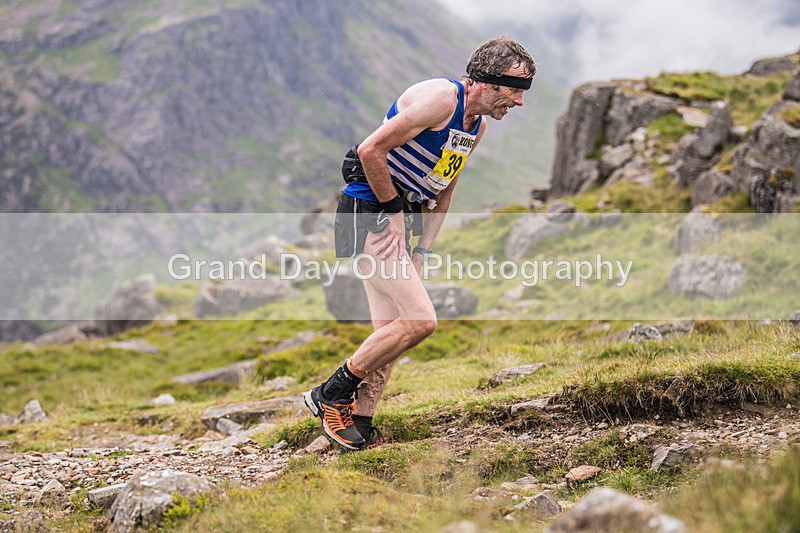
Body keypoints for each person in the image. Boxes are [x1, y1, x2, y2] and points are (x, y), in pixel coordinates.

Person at [304, 37, 536, 450]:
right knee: (420, 320)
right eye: (516, 88)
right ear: (488, 81)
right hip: (370, 215)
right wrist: (393, 214)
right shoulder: (439, 100)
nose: (519, 101)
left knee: (389, 333)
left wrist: (423, 249)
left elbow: (443, 190)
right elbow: (370, 149)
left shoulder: (473, 126)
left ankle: (359, 421)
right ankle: (329, 393)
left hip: (398, 222)